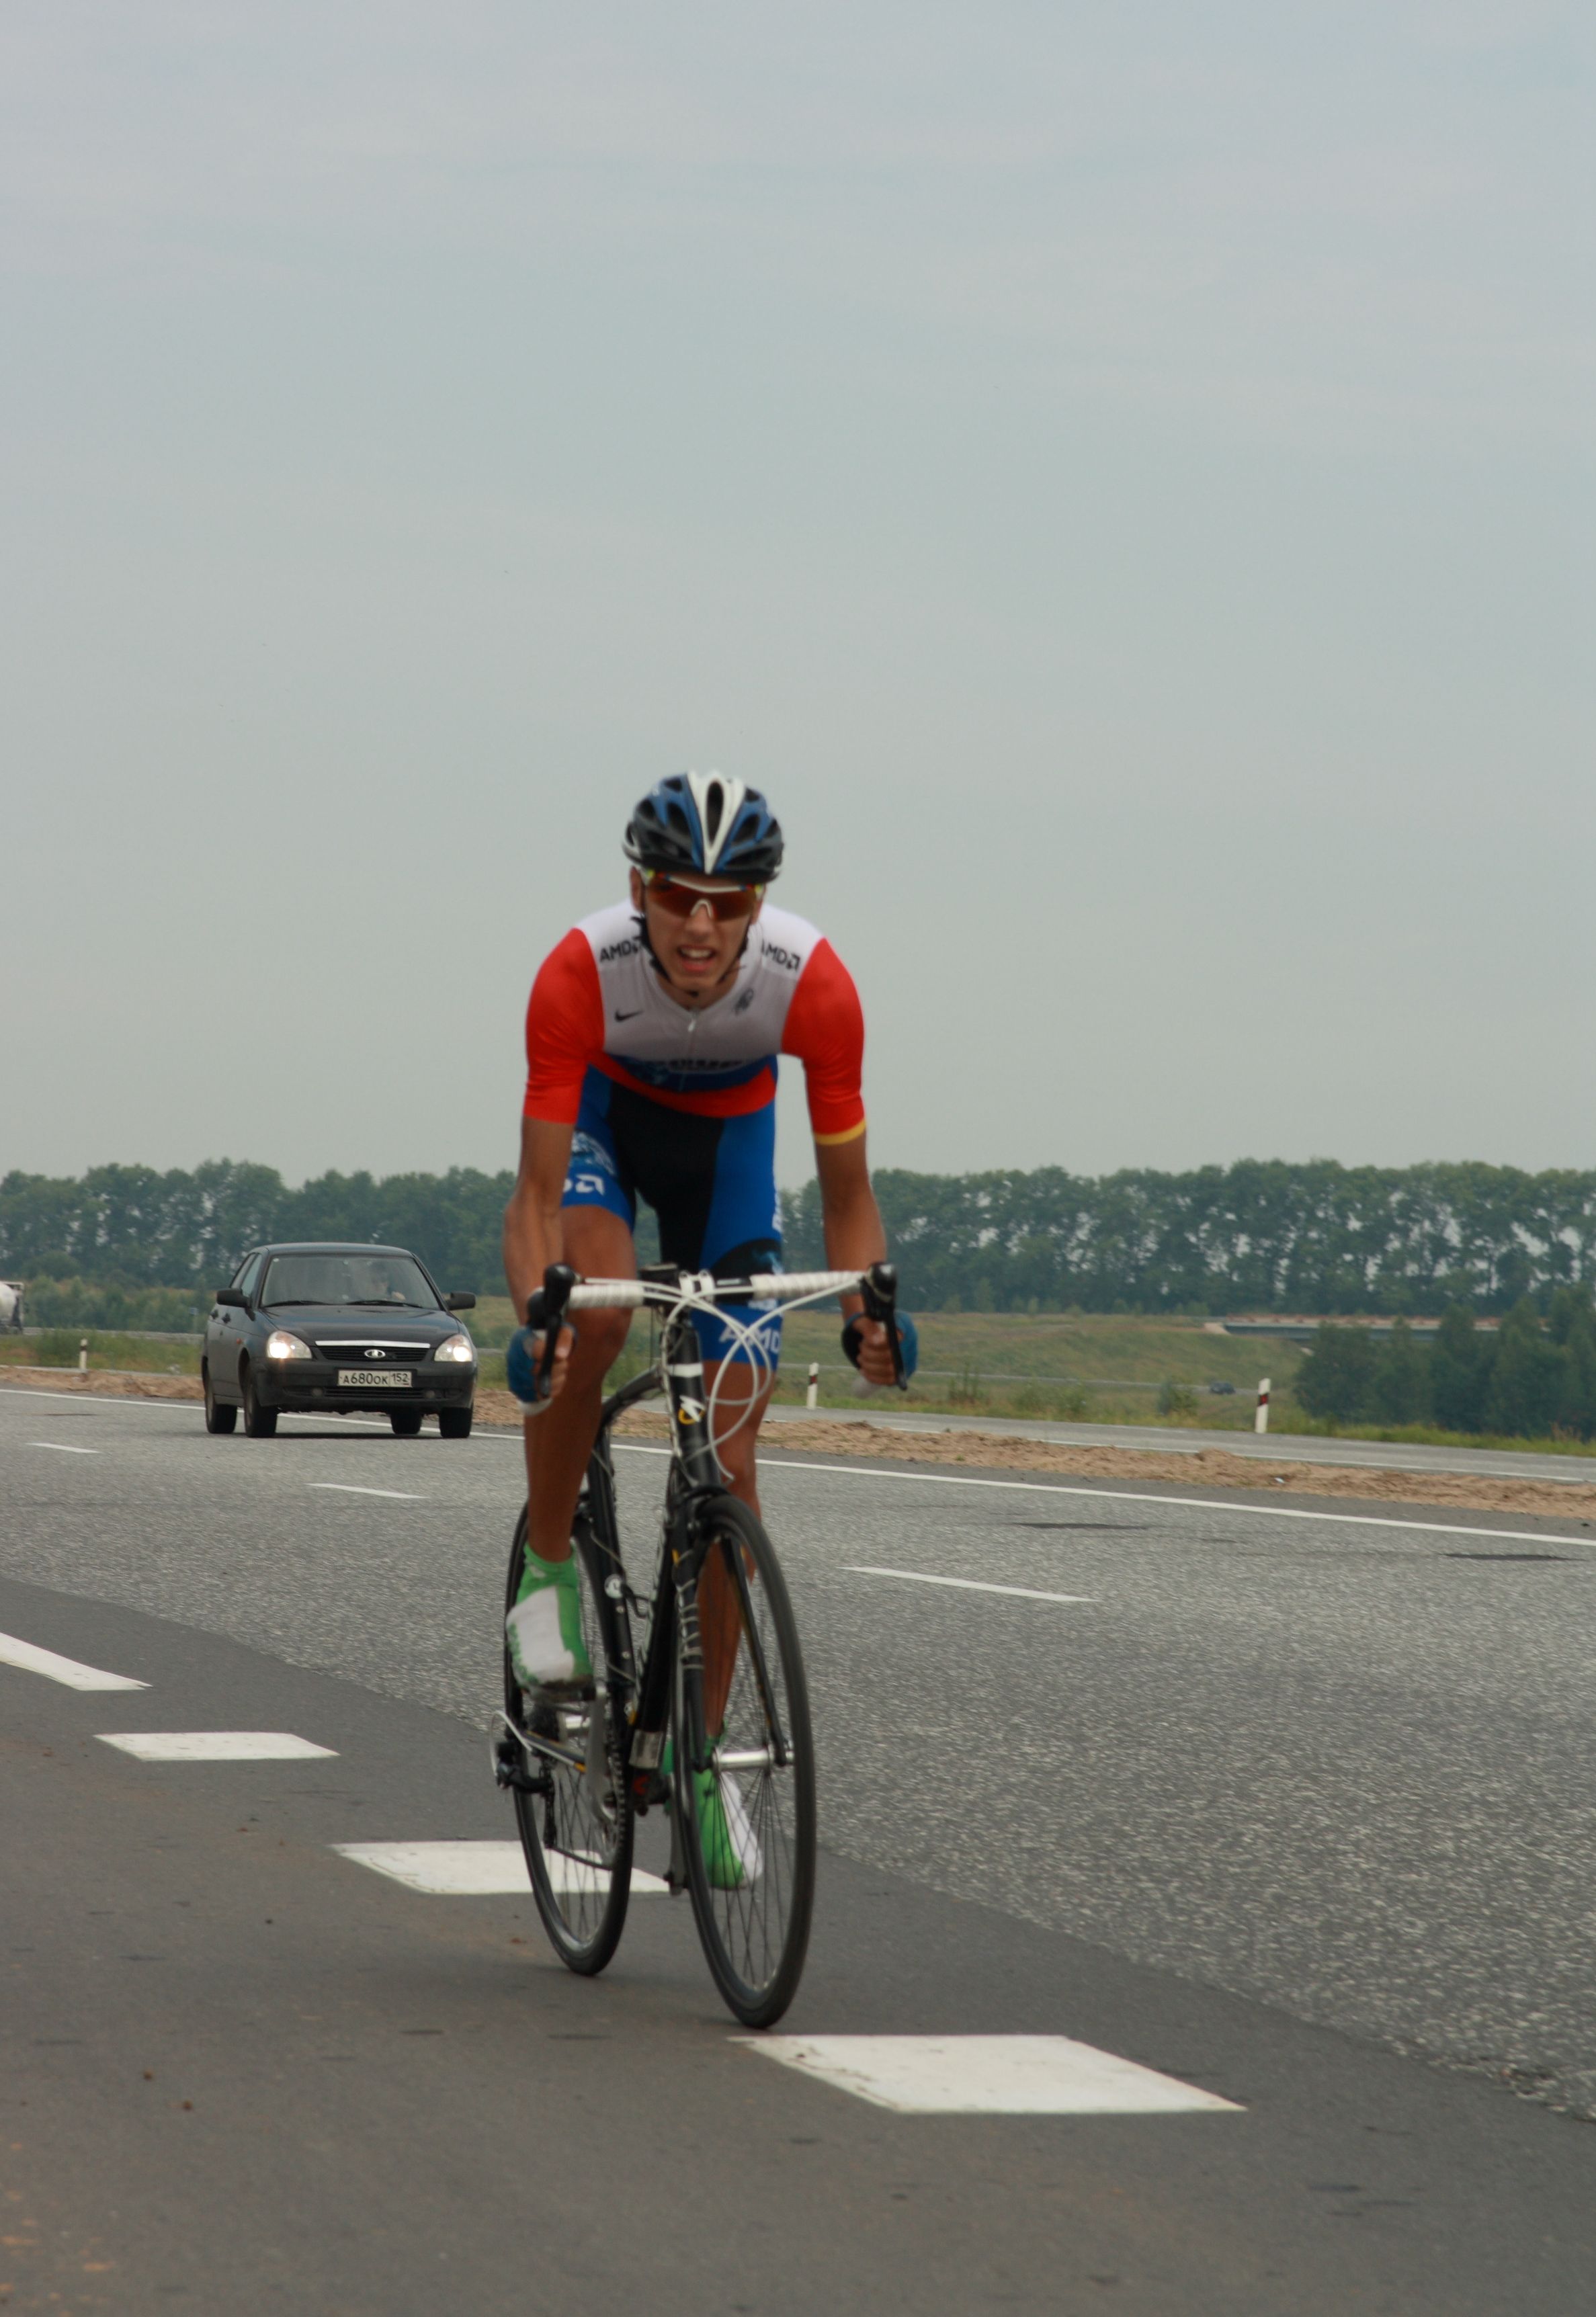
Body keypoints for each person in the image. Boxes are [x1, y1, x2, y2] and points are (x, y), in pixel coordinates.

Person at [501, 772, 912, 1878]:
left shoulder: (814, 984)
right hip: (604, 1133)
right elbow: (535, 1197)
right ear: (638, 888)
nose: (699, 924)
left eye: (727, 904)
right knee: (599, 1312)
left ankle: (702, 1757)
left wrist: (869, 1314)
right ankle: (549, 1568)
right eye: (678, 895)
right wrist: (538, 1315)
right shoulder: (579, 972)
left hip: (728, 1158)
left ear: (758, 906)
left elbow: (848, 1200)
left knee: (732, 1453)